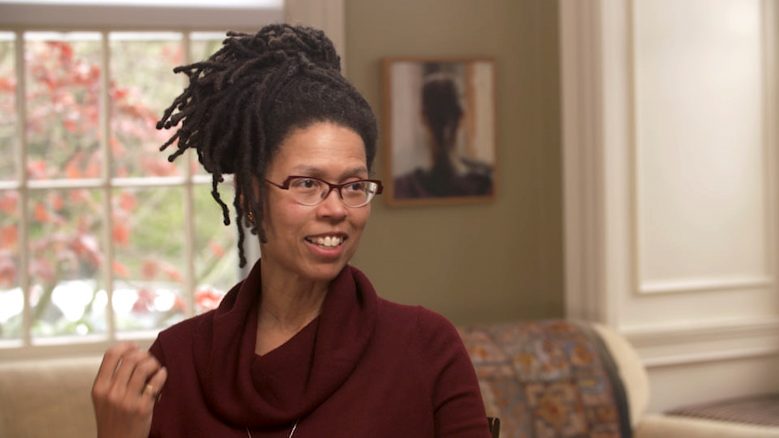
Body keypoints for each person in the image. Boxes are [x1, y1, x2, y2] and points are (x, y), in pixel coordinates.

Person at [91, 24, 490, 437]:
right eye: (306, 184)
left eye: (354, 186)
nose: (336, 209)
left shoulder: (425, 347)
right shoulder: (177, 361)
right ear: (248, 195)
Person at [394, 73, 493, 199]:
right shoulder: (484, 182)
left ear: (423, 117)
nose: (443, 124)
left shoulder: (404, 187)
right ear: (461, 115)